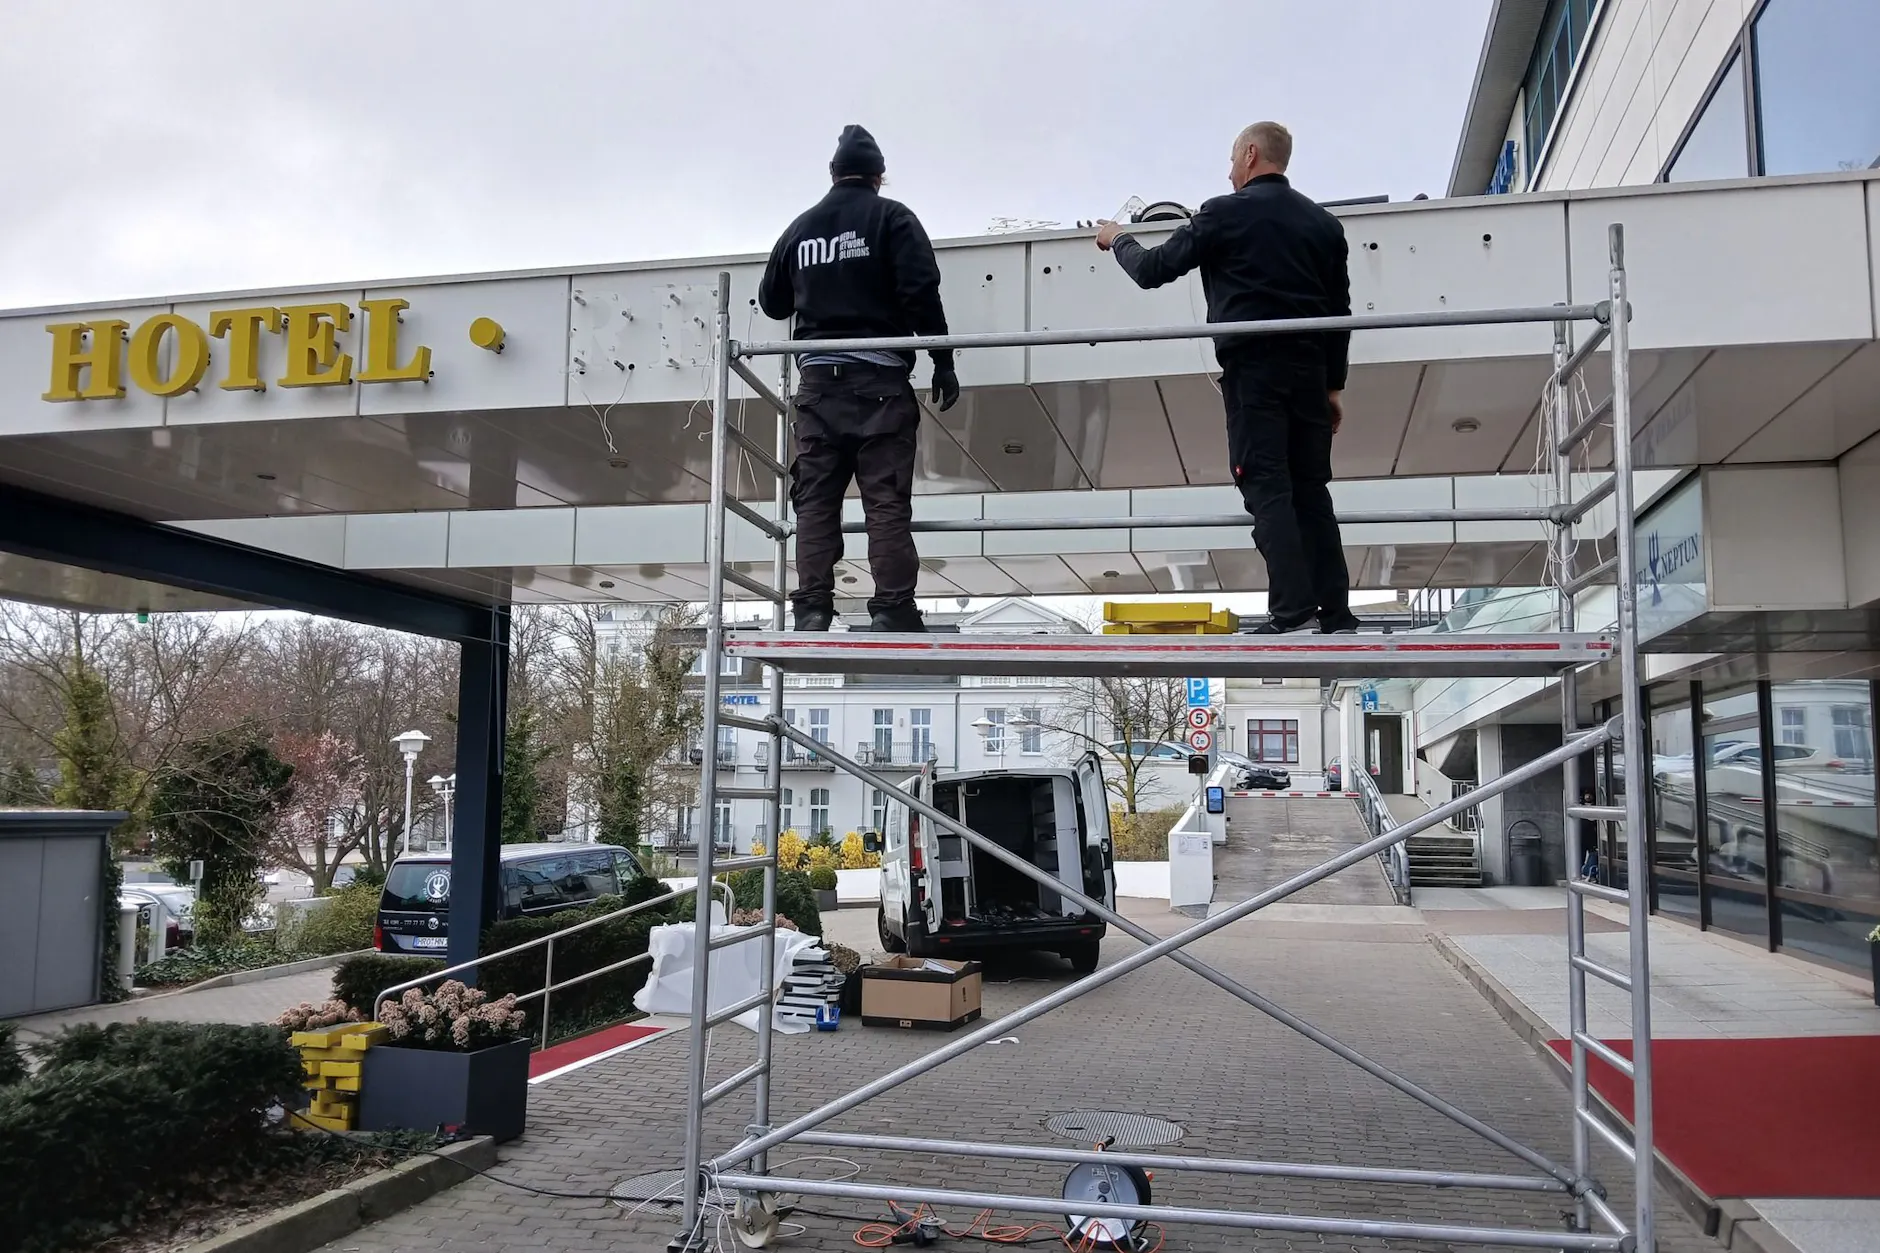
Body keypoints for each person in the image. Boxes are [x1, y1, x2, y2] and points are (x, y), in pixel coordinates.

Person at [1096, 121, 1359, 634]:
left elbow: (1152, 270)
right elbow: (1340, 314)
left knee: (1265, 484)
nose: (1229, 170)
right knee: (1311, 490)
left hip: (1254, 369)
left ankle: (1293, 610)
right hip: (1309, 370)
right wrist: (1333, 387)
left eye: (1232, 158)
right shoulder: (1324, 225)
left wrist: (1117, 237)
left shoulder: (1222, 212)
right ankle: (1336, 611)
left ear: (1251, 154)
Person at [759, 125, 959, 634]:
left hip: (818, 388)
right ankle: (892, 609)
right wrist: (942, 360)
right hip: (880, 384)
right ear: (878, 176)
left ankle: (811, 609)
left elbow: (773, 301)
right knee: (885, 501)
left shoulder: (800, 228)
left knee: (815, 503)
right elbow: (921, 291)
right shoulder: (893, 218)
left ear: (832, 173)